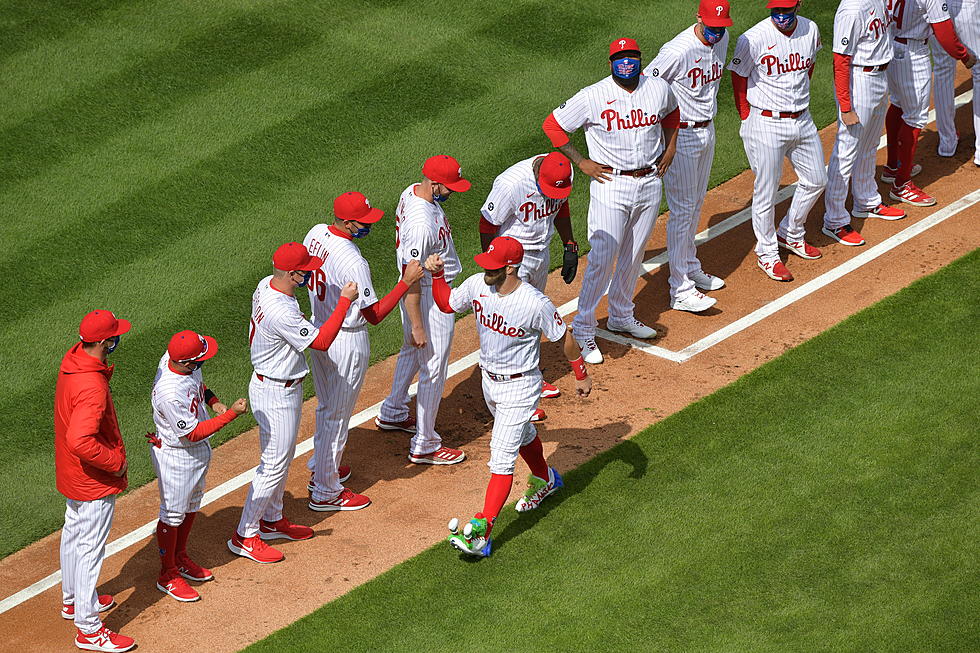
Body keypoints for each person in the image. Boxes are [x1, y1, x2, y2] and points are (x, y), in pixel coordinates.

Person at [423, 237, 593, 558]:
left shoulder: (535, 303)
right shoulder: (478, 285)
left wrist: (581, 374)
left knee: (501, 456)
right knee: (524, 435)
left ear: (511, 267)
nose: (486, 271)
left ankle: (481, 533)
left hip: (521, 387)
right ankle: (546, 479)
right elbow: (446, 304)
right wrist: (437, 275)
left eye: (493, 267)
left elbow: (565, 338)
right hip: (489, 381)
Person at [543, 37, 680, 364]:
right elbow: (553, 125)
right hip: (610, 184)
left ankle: (621, 314)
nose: (627, 63)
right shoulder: (593, 95)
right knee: (603, 257)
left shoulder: (657, 88)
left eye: (631, 56)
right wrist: (581, 162)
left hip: (648, 181)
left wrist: (671, 146)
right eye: (620, 58)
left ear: (639, 58)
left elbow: (673, 114)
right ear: (611, 63)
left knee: (634, 254)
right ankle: (584, 329)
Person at [228, 242, 356, 564]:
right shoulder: (281, 310)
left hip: (275, 385)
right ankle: (245, 535)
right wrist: (343, 302)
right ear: (290, 273)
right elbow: (322, 341)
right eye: (304, 271)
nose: (309, 275)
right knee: (272, 464)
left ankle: (272, 520)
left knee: (280, 461)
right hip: (275, 393)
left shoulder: (266, 286)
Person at [304, 192, 425, 511]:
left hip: (319, 330)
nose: (368, 227)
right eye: (363, 221)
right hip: (345, 340)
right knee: (337, 415)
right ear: (346, 221)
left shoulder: (315, 233)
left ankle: (321, 466)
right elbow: (373, 315)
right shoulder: (353, 260)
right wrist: (405, 281)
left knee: (326, 407)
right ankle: (325, 491)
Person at [375, 156, 470, 465]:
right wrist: (417, 323)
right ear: (434, 183)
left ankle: (393, 410)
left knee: (412, 351)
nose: (453, 192)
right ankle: (426, 444)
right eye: (450, 187)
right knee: (433, 364)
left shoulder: (412, 190)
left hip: (424, 289)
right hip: (427, 295)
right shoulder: (421, 224)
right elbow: (411, 279)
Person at [55, 310, 136, 652]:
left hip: (73, 473)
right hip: (93, 480)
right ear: (104, 342)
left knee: (73, 533)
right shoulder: (91, 386)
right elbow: (81, 440)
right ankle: (88, 629)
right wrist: (115, 463)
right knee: (89, 548)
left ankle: (72, 599)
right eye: (114, 336)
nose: (118, 339)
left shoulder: (73, 362)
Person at [729, 1, 827, 282]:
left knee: (817, 179)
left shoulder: (810, 29)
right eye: (776, 11)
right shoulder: (753, 38)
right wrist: (746, 115)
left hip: (802, 119)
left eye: (786, 10)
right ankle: (768, 253)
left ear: (798, 6)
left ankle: (791, 232)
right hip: (765, 122)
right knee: (766, 191)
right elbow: (738, 76)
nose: (781, 16)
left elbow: (808, 68)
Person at [645, 0, 733, 313]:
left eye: (721, 27)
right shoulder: (677, 50)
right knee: (682, 209)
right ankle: (679, 288)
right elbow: (646, 84)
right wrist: (661, 136)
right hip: (679, 136)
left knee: (696, 203)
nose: (716, 33)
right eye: (711, 26)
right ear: (698, 17)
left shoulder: (721, 40)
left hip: (705, 131)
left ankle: (689, 263)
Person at [146, 330, 247, 601]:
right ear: (187, 362)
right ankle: (167, 574)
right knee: (172, 514)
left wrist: (213, 402)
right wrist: (230, 415)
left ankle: (180, 557)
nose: (203, 363)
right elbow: (191, 434)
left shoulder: (176, 359)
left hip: (196, 452)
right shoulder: (169, 393)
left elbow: (198, 386)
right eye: (199, 360)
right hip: (177, 457)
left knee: (191, 506)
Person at [478, 150, 576, 405]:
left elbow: (561, 205)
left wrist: (569, 244)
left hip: (540, 252)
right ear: (537, 173)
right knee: (509, 318)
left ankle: (529, 377)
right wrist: (493, 264)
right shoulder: (510, 184)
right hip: (510, 259)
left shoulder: (564, 171)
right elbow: (487, 224)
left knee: (531, 318)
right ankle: (502, 385)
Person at [822, 0, 908, 248]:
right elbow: (840, 61)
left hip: (880, 76)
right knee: (847, 151)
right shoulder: (851, 10)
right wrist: (846, 106)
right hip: (860, 81)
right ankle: (835, 219)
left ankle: (866, 200)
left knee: (870, 144)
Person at [883, 0, 976, 205]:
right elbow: (945, 35)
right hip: (913, 55)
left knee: (897, 104)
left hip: (891, 46)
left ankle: (892, 166)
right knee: (915, 118)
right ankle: (902, 184)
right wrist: (964, 56)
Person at [930, 0, 979, 164]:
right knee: (979, 70)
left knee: (942, 69)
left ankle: (947, 143)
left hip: (935, 8)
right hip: (965, 6)